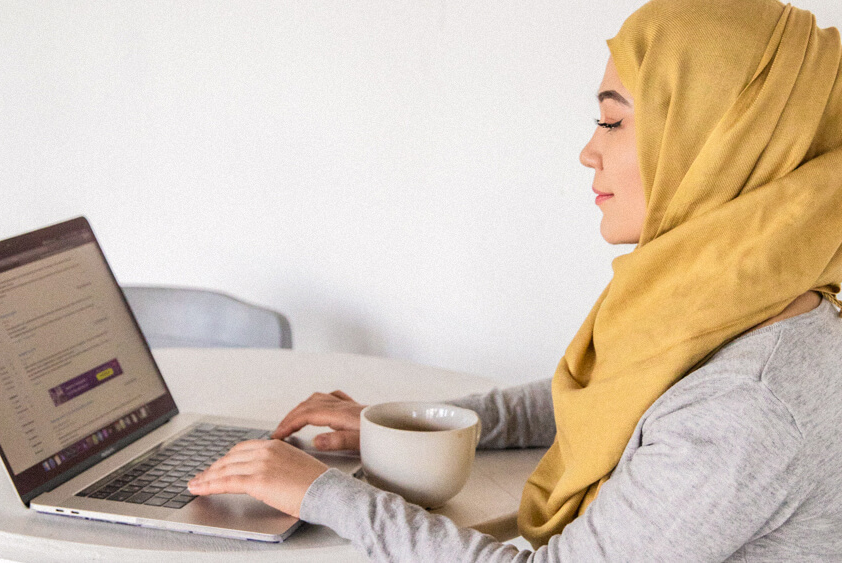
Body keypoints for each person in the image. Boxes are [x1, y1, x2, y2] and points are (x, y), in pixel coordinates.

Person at [188, 0, 842, 559]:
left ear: (714, 148)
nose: (590, 149)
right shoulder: (730, 303)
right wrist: (408, 426)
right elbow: (610, 399)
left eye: (613, 121)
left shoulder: (749, 408)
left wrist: (321, 491)